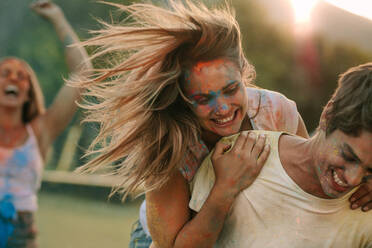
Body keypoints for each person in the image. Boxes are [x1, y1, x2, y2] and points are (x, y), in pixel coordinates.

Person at [70, 1, 372, 247]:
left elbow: (305, 180)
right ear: (183, 97)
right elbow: (174, 244)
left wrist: (364, 182)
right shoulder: (168, 143)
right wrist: (225, 186)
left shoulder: (276, 110)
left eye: (231, 90)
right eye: (202, 98)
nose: (223, 108)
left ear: (243, 72)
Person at [190, 62, 372, 247]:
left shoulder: (366, 213)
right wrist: (223, 190)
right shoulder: (234, 158)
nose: (354, 179)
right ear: (329, 115)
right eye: (348, 156)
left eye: (370, 170)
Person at [0, 1, 92, 247]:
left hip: (19, 235)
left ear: (28, 90)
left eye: (22, 76)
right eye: (5, 73)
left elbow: (83, 72)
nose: (13, 79)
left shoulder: (40, 131)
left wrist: (57, 18)